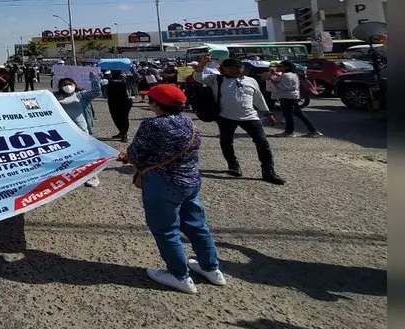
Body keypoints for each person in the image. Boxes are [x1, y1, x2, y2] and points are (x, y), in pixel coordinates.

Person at [123, 84, 225, 294]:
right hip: (191, 181)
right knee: (197, 225)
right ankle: (212, 269)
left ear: (157, 104)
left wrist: (127, 156)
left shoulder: (152, 125)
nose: (150, 103)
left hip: (163, 184)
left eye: (151, 100)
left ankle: (178, 275)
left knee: (166, 229)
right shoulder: (189, 123)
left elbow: (135, 154)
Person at [193, 56, 285, 185]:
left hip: (251, 117)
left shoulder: (251, 81)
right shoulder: (215, 80)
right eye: (230, 68)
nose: (235, 70)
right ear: (222, 69)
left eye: (238, 67)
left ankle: (268, 172)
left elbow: (258, 97)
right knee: (226, 142)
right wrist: (202, 64)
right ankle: (233, 166)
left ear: (243, 68)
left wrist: (268, 113)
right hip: (225, 117)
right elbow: (198, 77)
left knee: (262, 142)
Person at [54, 73, 103, 187]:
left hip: (81, 129)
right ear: (60, 86)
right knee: (65, 153)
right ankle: (68, 174)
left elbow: (96, 91)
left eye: (70, 84)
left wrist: (93, 79)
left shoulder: (81, 95)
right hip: (64, 130)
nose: (67, 86)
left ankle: (93, 176)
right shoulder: (55, 97)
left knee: (86, 152)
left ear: (75, 85)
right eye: (64, 84)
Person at [270, 61, 322, 137]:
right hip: (293, 97)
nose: (278, 67)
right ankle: (314, 130)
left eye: (281, 66)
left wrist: (273, 81)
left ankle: (289, 132)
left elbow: (284, 87)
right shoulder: (293, 74)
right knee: (299, 114)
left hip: (287, 97)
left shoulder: (286, 75)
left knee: (288, 115)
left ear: (286, 67)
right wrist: (274, 75)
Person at [106, 70, 133, 141]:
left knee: (116, 118)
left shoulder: (110, 82)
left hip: (113, 102)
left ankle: (123, 133)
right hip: (125, 102)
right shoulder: (125, 80)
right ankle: (123, 133)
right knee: (124, 118)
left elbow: (107, 93)